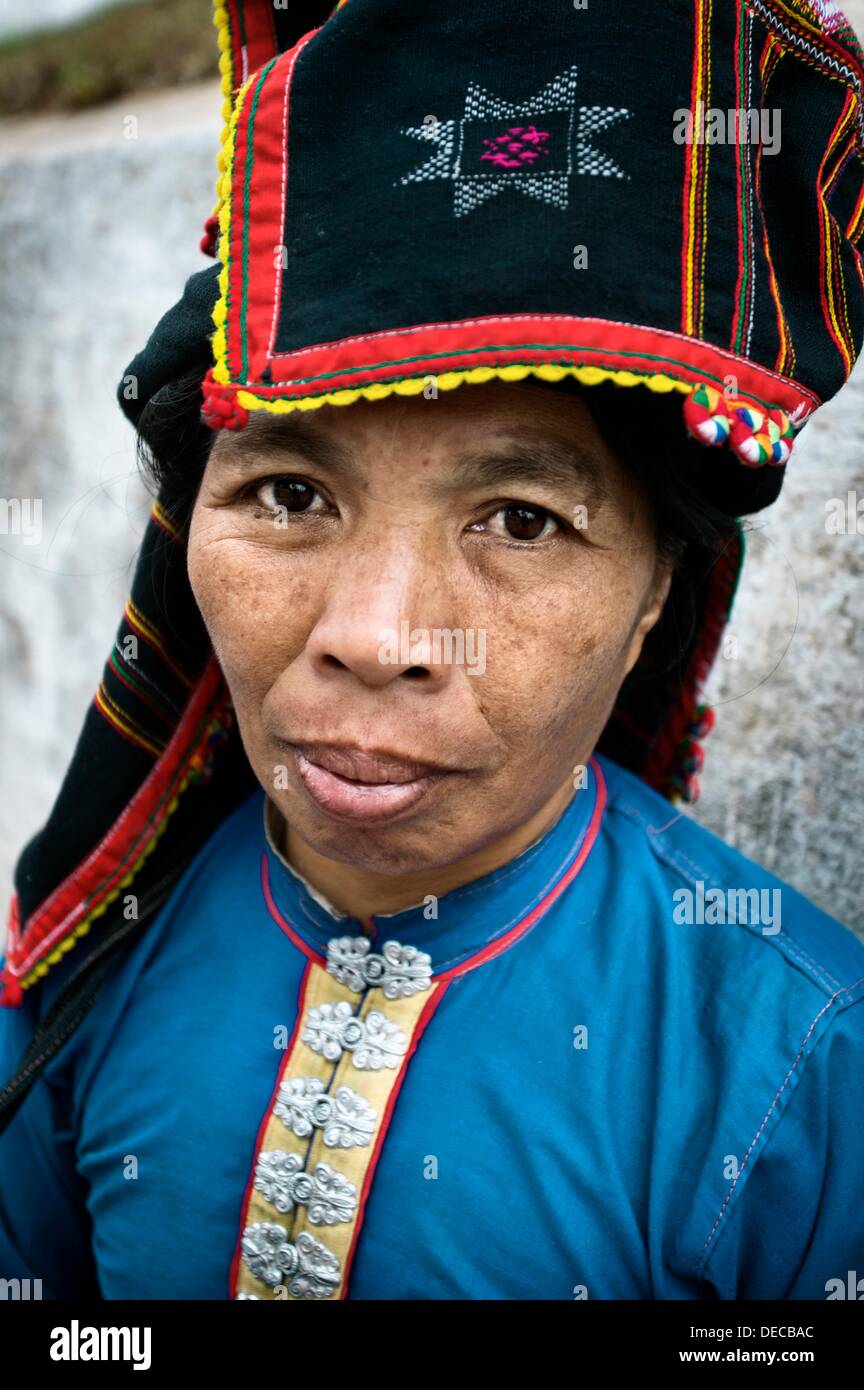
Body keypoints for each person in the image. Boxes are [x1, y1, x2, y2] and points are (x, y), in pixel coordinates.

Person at [1, 0, 863, 1301]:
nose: (375, 638)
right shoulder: (93, 960)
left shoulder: (808, 1069)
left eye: (521, 520)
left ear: (654, 599)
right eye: (290, 495)